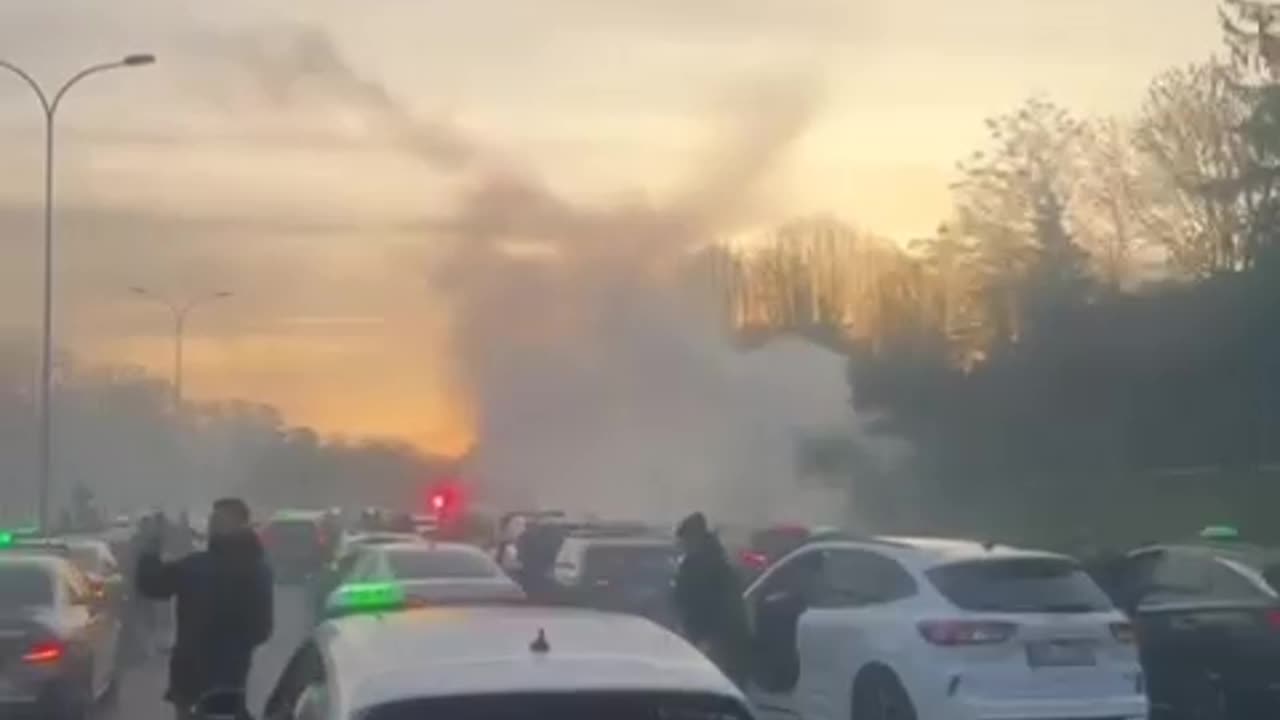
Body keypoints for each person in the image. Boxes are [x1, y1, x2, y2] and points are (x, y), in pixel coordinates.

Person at [137, 497, 274, 719]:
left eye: (217, 520)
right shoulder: (260, 570)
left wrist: (151, 546)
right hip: (232, 679)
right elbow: (263, 630)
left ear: (234, 525)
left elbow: (151, 584)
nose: (211, 524)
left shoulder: (196, 567)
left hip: (190, 679)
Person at [673, 512, 751, 687]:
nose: (684, 546)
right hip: (717, 641)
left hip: (712, 642)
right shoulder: (715, 560)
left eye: (686, 541)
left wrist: (703, 638)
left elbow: (704, 605)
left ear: (694, 538)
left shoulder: (704, 565)